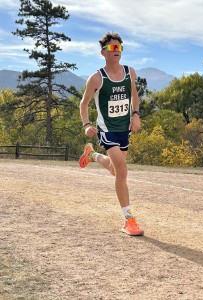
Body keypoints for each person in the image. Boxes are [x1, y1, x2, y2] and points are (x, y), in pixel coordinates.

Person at [79, 32, 144, 236]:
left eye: (119, 48)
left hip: (125, 129)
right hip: (106, 130)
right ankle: (129, 220)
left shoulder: (129, 72)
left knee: (117, 171)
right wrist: (86, 124)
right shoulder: (97, 78)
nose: (117, 51)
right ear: (103, 52)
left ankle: (92, 155)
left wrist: (135, 115)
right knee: (122, 171)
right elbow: (84, 103)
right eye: (113, 48)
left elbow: (134, 96)